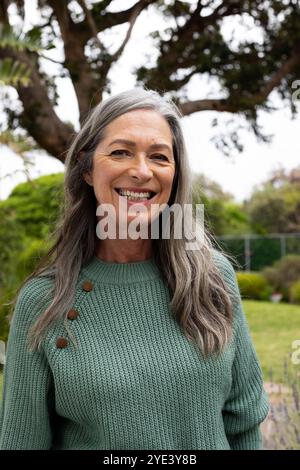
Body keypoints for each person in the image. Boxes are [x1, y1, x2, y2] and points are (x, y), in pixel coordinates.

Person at [0, 87, 269, 450]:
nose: (141, 171)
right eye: (121, 152)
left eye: (159, 156)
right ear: (88, 169)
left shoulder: (213, 278)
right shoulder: (45, 301)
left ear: (175, 174)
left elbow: (244, 425)